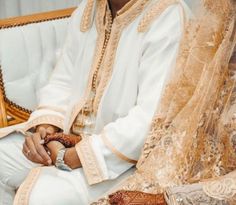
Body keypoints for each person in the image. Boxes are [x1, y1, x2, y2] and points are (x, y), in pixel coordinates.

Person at [0, 0, 191, 204]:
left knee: (41, 199)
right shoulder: (89, 9)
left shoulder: (168, 16)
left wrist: (77, 156)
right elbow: (63, 81)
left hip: (122, 159)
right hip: (65, 140)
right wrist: (46, 128)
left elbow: (150, 118)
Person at [92, 0, 236, 204]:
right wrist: (85, 143)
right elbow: (172, 129)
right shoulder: (211, 40)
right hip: (174, 179)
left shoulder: (169, 15)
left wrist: (165, 199)